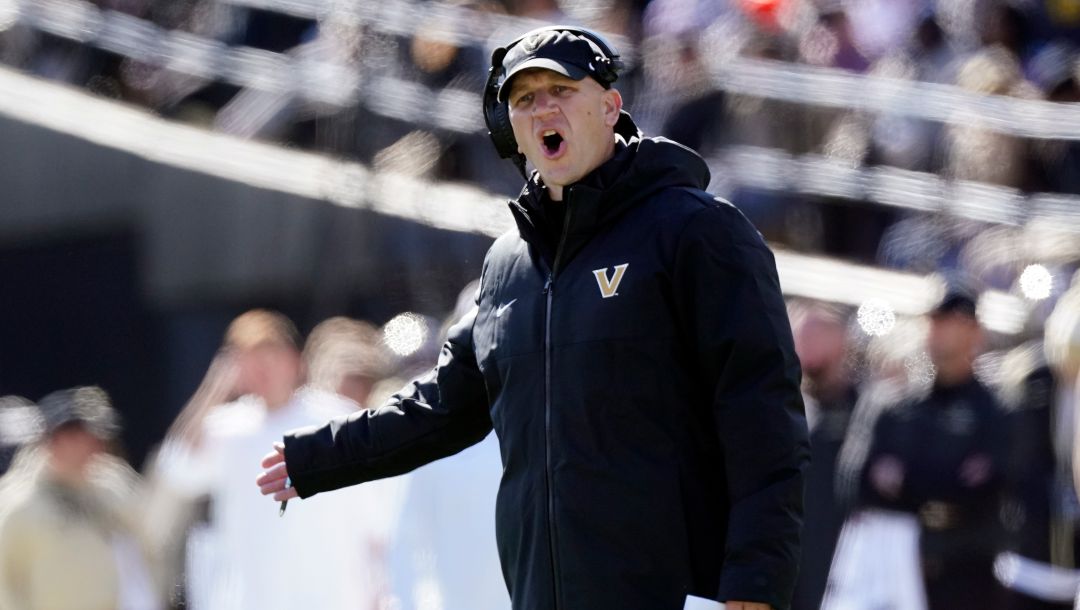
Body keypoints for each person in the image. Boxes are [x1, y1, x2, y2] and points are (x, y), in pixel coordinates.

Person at [258, 25, 809, 610]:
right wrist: (319, 458)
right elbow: (443, 407)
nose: (543, 108)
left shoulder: (697, 231)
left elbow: (762, 415)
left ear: (610, 106)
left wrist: (755, 584)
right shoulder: (507, 266)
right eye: (524, 99)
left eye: (562, 90)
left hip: (680, 596)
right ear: (512, 130)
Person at [154, 310, 401, 609]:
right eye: (252, 361)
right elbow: (176, 469)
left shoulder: (335, 419)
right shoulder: (228, 429)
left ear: (295, 360)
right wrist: (214, 387)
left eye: (272, 357)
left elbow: (378, 519)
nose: (264, 371)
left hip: (333, 598)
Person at [853, 289, 1010, 610]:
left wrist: (905, 481)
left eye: (952, 322)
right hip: (899, 564)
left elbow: (994, 486)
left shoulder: (996, 410)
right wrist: (946, 481)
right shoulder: (895, 406)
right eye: (935, 321)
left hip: (967, 569)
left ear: (974, 331)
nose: (940, 332)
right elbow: (856, 482)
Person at [0, 386, 163, 610]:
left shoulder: (113, 486)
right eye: (86, 437)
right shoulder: (19, 503)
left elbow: (152, 542)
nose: (98, 446)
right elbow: (5, 586)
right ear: (57, 439)